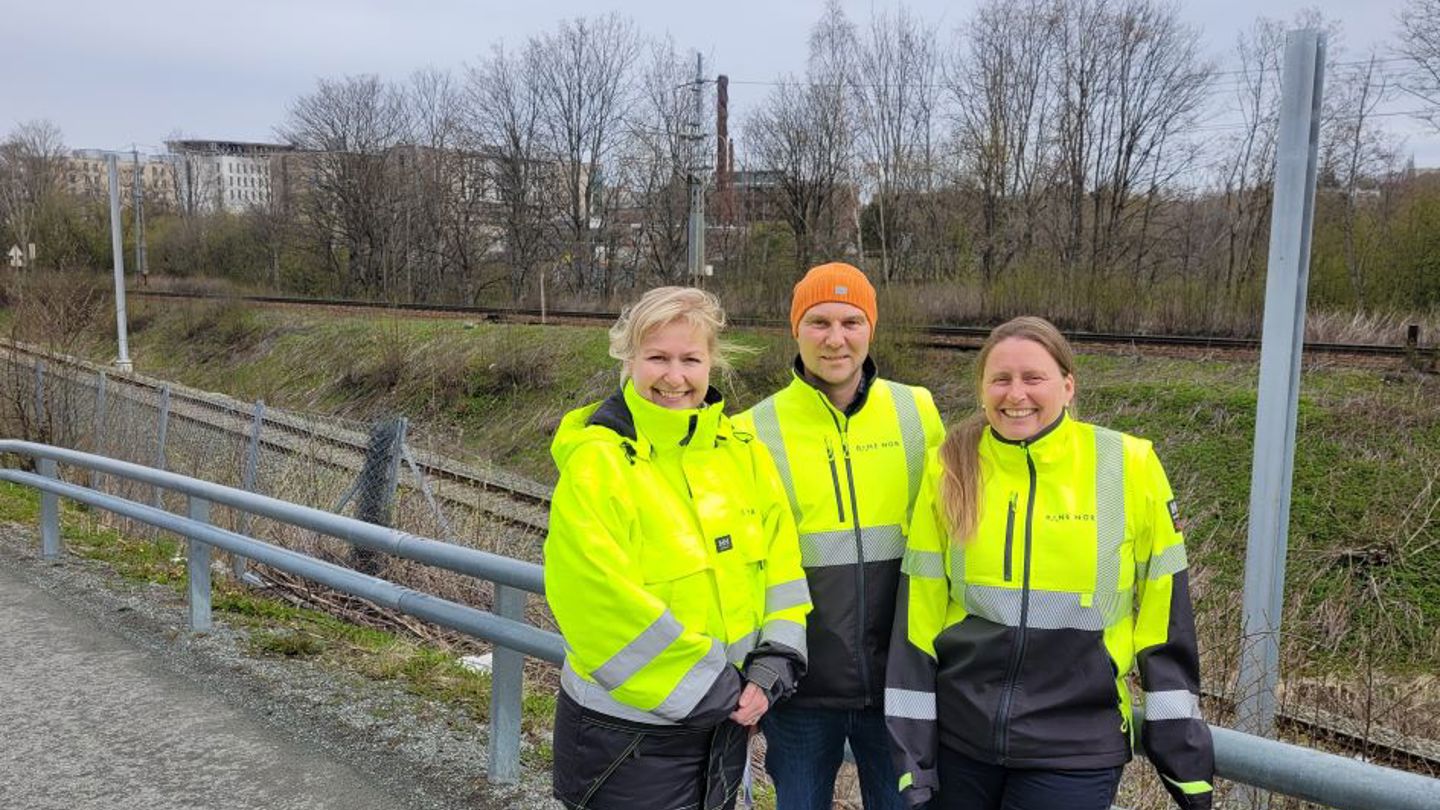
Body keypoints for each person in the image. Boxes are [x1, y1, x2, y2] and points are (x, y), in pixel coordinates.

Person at [885, 316, 1215, 810]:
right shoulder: (949, 467)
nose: (1016, 393)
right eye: (1001, 379)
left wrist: (1183, 759)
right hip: (961, 744)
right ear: (982, 390)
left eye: (1033, 378)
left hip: (1075, 746)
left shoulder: (1129, 464)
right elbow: (918, 618)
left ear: (1067, 385)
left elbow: (1165, 617)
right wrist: (913, 755)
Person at [544, 286, 811, 810]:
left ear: (712, 363)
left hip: (724, 728)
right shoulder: (599, 464)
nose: (674, 377)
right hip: (626, 741)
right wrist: (720, 690)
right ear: (628, 360)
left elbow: (782, 574)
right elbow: (594, 602)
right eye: (657, 358)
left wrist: (772, 666)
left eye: (690, 359)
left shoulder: (745, 456)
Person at [733, 263, 945, 809]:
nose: (835, 339)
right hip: (799, 688)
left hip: (899, 684)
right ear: (796, 330)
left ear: (871, 328)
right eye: (819, 322)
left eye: (851, 322)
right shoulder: (751, 429)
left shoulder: (916, 410)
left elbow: (951, 531)